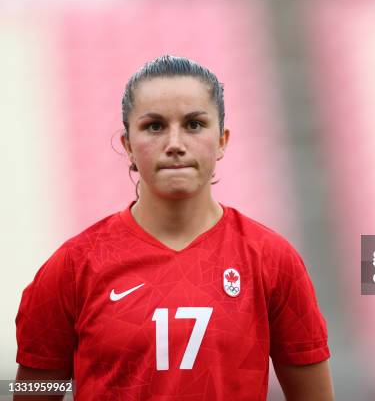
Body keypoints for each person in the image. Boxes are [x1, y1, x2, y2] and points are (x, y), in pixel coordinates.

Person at [15, 55, 333, 400]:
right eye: (154, 126)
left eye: (194, 124)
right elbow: (34, 390)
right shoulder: (73, 266)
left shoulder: (272, 260)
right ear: (128, 146)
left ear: (222, 140)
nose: (175, 143)